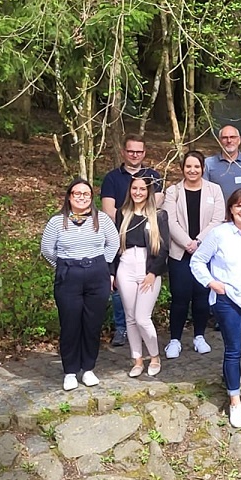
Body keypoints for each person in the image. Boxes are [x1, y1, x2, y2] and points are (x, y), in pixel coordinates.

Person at [191, 189, 241, 429]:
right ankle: (235, 401)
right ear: (231, 209)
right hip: (228, 299)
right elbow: (197, 261)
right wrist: (213, 284)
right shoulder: (219, 234)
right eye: (238, 205)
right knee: (233, 350)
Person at [40, 179, 119, 390]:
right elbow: (47, 249)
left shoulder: (101, 219)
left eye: (86, 194)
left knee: (92, 325)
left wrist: (103, 263)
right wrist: (65, 265)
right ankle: (70, 371)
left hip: (97, 275)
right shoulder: (57, 222)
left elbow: (114, 243)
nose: (82, 197)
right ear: (69, 196)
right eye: (77, 193)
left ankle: (88, 368)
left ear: (91, 198)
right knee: (71, 324)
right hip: (69, 277)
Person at [100, 134, 163, 347]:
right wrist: (127, 219)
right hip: (120, 234)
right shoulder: (112, 178)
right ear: (123, 152)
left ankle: (148, 342)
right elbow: (109, 210)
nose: (134, 155)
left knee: (143, 304)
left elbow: (156, 207)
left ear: (144, 153)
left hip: (147, 239)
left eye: (139, 151)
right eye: (130, 151)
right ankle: (122, 329)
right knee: (120, 291)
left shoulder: (153, 176)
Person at [161, 151, 225, 359]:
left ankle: (199, 336)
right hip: (180, 252)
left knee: (201, 296)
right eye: (188, 166)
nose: (192, 170)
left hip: (205, 252)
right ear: (182, 169)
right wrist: (187, 243)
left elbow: (217, 220)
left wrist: (198, 242)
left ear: (203, 168)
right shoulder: (173, 192)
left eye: (196, 166)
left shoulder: (214, 190)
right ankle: (174, 340)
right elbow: (170, 221)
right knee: (180, 297)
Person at [113, 176, 170, 379]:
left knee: (141, 317)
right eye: (134, 188)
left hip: (148, 267)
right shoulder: (122, 213)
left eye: (142, 189)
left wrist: (153, 273)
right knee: (130, 318)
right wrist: (113, 272)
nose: (138, 192)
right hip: (126, 265)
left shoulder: (159, 215)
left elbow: (164, 249)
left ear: (149, 192)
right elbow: (114, 246)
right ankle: (137, 359)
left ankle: (154, 356)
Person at [204, 124, 241, 203]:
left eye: (232, 137)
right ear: (219, 141)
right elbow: (204, 192)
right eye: (225, 138)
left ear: (239, 140)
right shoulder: (209, 163)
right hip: (219, 213)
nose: (229, 141)